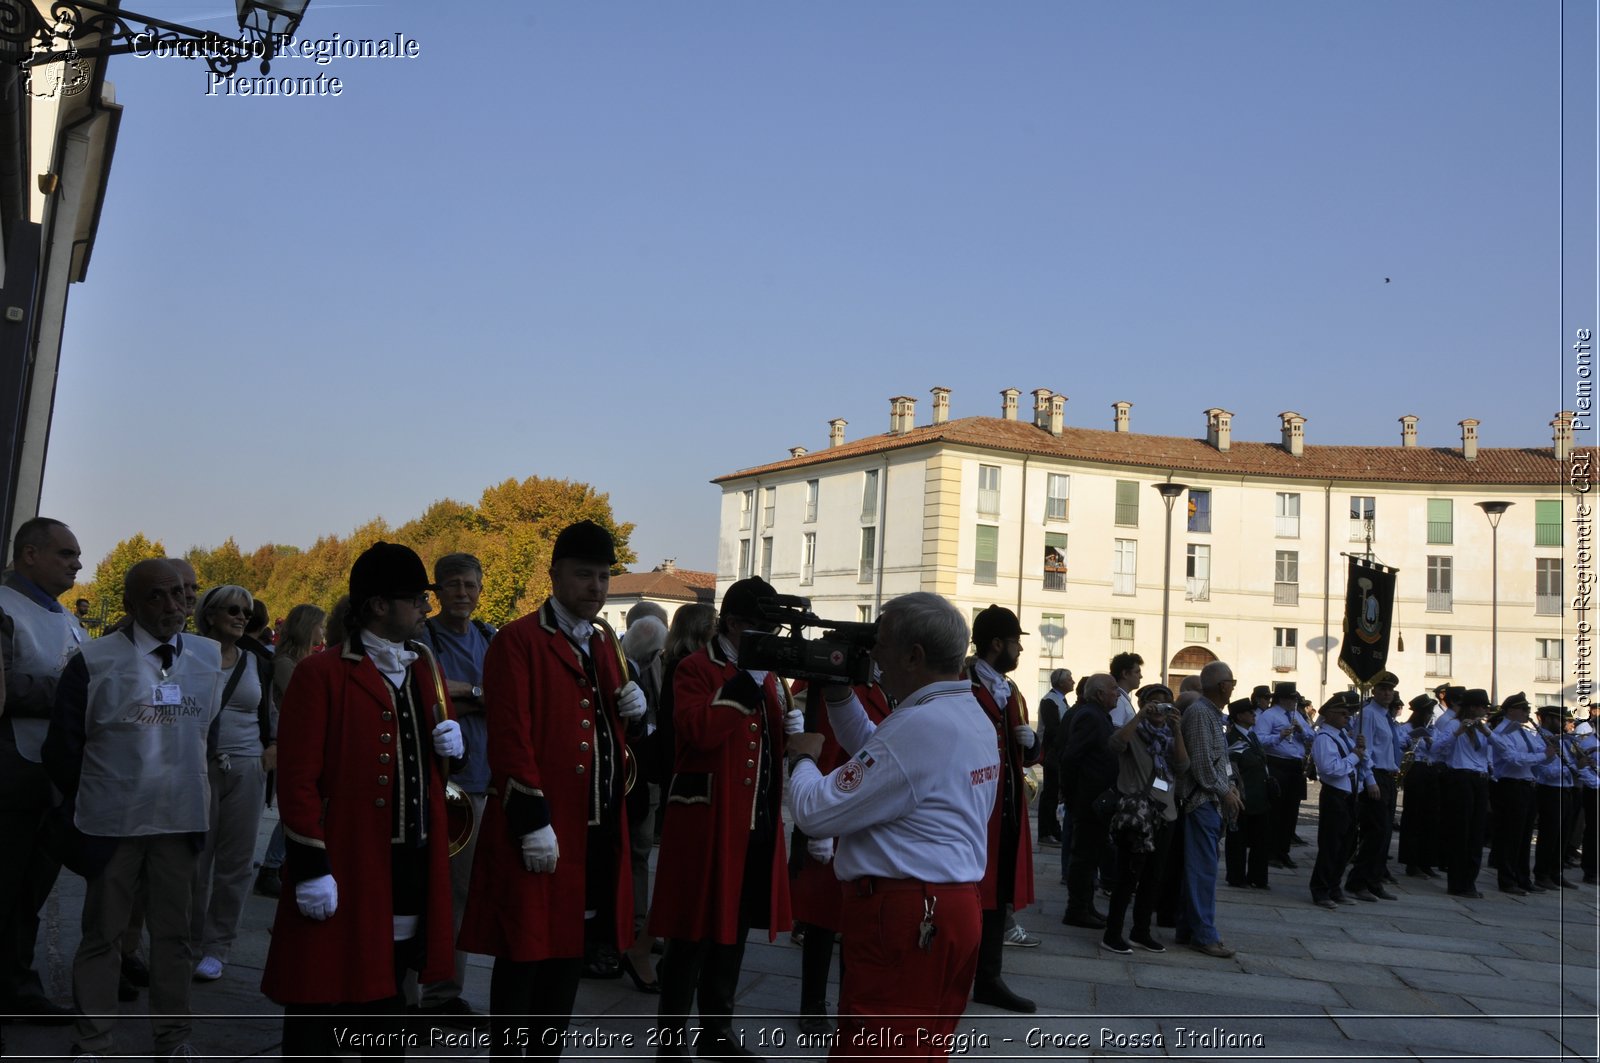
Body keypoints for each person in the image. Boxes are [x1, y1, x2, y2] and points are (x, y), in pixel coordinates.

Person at [259, 542, 466, 1058]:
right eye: (416, 598)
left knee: (390, 988)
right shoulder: (322, 672)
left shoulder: (423, 668)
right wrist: (309, 866)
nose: (425, 607)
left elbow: (420, 768)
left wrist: (450, 751)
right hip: (345, 861)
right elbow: (298, 779)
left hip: (409, 861)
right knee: (320, 993)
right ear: (378, 605)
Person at [459, 522, 644, 1058]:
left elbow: (600, 732)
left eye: (605, 576)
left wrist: (633, 713)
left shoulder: (604, 640)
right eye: (585, 575)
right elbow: (512, 739)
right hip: (540, 826)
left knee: (567, 956)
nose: (597, 587)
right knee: (523, 954)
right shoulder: (518, 640)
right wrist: (532, 821)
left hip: (591, 830)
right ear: (555, 575)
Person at [787, 592, 996, 1059]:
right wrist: (841, 695)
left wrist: (802, 758)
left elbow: (816, 812)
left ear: (913, 655)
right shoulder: (965, 714)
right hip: (952, 907)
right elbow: (883, 755)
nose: (873, 656)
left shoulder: (921, 726)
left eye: (879, 644)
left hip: (906, 915)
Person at [43, 559, 224, 1059]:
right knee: (102, 937)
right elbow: (62, 749)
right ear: (130, 605)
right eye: (156, 596)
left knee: (174, 939)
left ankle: (172, 1040)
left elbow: (204, 736)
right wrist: (103, 795)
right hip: (111, 825)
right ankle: (94, 1042)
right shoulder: (94, 661)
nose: (172, 605)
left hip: (179, 820)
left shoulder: (210, 659)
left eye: (180, 593)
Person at [650, 576, 796, 1061]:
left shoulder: (767, 674)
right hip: (708, 820)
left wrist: (791, 729)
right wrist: (746, 685)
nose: (771, 638)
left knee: (734, 928)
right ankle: (670, 1042)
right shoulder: (695, 667)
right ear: (734, 624)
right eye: (763, 628)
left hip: (755, 821)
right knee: (691, 933)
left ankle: (717, 1029)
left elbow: (767, 747)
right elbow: (699, 731)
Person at [0, 517, 84, 1021]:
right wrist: (73, 696)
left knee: (30, 892)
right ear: (30, 554)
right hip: (12, 774)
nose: (78, 563)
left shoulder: (67, 616)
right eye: (66, 554)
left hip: (50, 777)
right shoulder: (4, 608)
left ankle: (17, 983)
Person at [414, 552, 496, 1023]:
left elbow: (499, 696)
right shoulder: (423, 638)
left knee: (462, 894)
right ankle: (425, 995)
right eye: (452, 585)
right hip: (443, 781)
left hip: (484, 780)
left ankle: (444, 992)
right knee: (434, 891)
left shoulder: (489, 637)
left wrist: (468, 693)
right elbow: (433, 698)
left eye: (470, 584)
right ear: (437, 591)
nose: (462, 592)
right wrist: (471, 694)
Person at [786, 675, 891, 1035]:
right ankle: (812, 1005)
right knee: (821, 922)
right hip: (835, 814)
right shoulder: (850, 687)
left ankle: (851, 1003)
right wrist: (821, 831)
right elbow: (825, 750)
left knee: (851, 924)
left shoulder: (877, 687)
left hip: (861, 817)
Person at [622, 603, 716, 994]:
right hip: (683, 781)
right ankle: (641, 946)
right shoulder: (686, 666)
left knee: (684, 877)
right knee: (680, 875)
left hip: (681, 777)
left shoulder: (680, 663)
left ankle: (650, 943)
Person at [189, 585, 276, 982]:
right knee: (193, 860)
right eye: (233, 610)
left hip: (246, 765)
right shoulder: (187, 655)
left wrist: (271, 747)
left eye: (247, 611)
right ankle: (187, 940)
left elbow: (268, 709)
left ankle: (218, 945)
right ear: (210, 615)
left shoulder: (255, 661)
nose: (242, 617)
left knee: (236, 863)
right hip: (195, 765)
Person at [965, 605, 1037, 1014]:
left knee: (998, 894)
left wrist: (1032, 744)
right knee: (973, 893)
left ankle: (988, 977)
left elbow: (1022, 757)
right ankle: (962, 972)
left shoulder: (1010, 690)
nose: (1020, 649)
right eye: (1015, 641)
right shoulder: (962, 682)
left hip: (1005, 809)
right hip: (975, 808)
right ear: (996, 644)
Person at [1100, 684, 1188, 955]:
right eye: (1154, 703)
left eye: (1165, 704)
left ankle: (1141, 931)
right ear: (1143, 704)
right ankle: (1112, 933)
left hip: (1166, 813)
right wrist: (1139, 717)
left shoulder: (1170, 737)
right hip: (1138, 814)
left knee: (1154, 877)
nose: (1159, 709)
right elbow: (1115, 744)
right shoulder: (1135, 732)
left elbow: (1183, 766)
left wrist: (1176, 729)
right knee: (1128, 876)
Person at [254, 603, 327, 899]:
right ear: (307, 627)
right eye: (319, 625)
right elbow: (305, 701)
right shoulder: (286, 663)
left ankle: (280, 864)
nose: (322, 631)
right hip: (291, 741)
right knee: (295, 809)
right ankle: (271, 866)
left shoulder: (303, 660)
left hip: (300, 740)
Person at [1175, 661, 1241, 958]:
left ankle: (1189, 928)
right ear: (1223, 686)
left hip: (1209, 801)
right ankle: (1204, 934)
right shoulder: (1201, 714)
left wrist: (1229, 784)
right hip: (1201, 802)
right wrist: (1224, 790)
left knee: (1200, 868)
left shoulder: (1212, 715)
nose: (1233, 686)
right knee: (1203, 871)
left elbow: (1217, 760)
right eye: (1231, 682)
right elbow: (1201, 766)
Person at [618, 612, 668, 994]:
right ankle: (632, 928)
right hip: (633, 776)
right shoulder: (627, 671)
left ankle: (636, 926)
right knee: (635, 852)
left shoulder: (632, 665)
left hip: (639, 775)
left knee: (636, 853)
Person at [1060, 674, 1118, 929]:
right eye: (1113, 689)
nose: (1117, 693)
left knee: (1091, 855)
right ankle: (1076, 909)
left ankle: (1086, 906)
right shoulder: (1090, 716)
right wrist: (1073, 797)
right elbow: (1070, 758)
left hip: (1095, 800)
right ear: (1098, 694)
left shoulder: (1099, 715)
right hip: (1088, 801)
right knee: (1083, 857)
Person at [1308, 692, 1370, 908]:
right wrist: (1354, 755)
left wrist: (1360, 750)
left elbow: (1358, 763)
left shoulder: (1343, 735)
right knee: (1331, 845)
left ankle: (1335, 887)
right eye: (1344, 713)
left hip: (1349, 795)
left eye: (1350, 713)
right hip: (1335, 795)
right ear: (1330, 715)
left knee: (1347, 845)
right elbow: (1330, 768)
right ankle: (1321, 889)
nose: (1348, 717)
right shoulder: (1325, 738)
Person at [1488, 693, 1552, 895]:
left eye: (1528, 709)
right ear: (1510, 711)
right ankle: (1507, 880)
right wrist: (1543, 754)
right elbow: (1514, 758)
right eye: (1523, 709)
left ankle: (1523, 878)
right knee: (1511, 835)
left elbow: (1537, 758)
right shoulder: (1503, 731)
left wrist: (1550, 752)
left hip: (1527, 785)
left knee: (1524, 836)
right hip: (1511, 786)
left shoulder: (1523, 731)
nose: (1528, 713)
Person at [1344, 672, 1401, 901]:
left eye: (1390, 690)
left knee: (1385, 833)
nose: (1387, 693)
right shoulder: (1368, 715)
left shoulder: (1385, 715)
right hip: (1375, 775)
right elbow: (1364, 749)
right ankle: (1358, 882)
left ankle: (1374, 880)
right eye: (1382, 689)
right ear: (1373, 691)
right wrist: (1369, 780)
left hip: (1387, 775)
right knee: (1376, 832)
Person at [1432, 688, 1493, 898]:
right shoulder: (1453, 724)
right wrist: (1457, 732)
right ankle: (1457, 883)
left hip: (1480, 780)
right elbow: (1436, 750)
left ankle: (1470, 882)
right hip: (1461, 778)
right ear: (1472, 707)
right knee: (1461, 832)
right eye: (1483, 707)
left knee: (1477, 833)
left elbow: (1499, 750)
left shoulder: (1484, 729)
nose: (1485, 710)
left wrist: (1488, 733)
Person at [1254, 682, 1312, 870]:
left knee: (1291, 811)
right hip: (1277, 764)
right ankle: (1271, 852)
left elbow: (1312, 736)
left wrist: (1302, 730)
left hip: (1295, 766)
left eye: (1296, 699)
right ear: (1282, 698)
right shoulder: (1269, 716)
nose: (1295, 702)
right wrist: (1278, 736)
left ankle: (1283, 851)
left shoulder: (1297, 716)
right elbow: (1259, 740)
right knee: (1276, 811)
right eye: (1292, 698)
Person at [1223, 698, 1271, 891]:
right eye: (1250, 713)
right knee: (1238, 838)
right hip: (1243, 795)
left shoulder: (1251, 735)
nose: (1254, 715)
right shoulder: (1232, 738)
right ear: (1239, 716)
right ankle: (1236, 876)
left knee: (1261, 839)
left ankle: (1258, 877)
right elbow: (1230, 767)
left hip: (1260, 794)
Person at [1532, 704, 1580, 891]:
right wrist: (1569, 769)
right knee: (1549, 835)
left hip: (1565, 789)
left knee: (1563, 835)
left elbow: (1569, 764)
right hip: (1550, 790)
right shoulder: (1541, 739)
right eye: (1559, 720)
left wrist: (1579, 765)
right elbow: (1544, 770)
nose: (1562, 724)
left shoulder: (1561, 740)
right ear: (1549, 719)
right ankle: (1542, 874)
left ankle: (1555, 872)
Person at [1397, 693, 1441, 879]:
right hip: (1416, 770)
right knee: (1414, 816)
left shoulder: (1433, 730)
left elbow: (1441, 749)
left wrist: (1432, 742)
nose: (1430, 715)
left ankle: (1426, 861)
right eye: (1427, 712)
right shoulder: (1406, 728)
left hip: (1431, 771)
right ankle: (1411, 862)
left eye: (1431, 712)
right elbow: (1399, 747)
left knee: (1430, 818)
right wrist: (1410, 743)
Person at [1034, 668, 1073, 846]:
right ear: (1060, 682)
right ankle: (1045, 832)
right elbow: (1052, 729)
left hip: (1058, 753)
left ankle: (1053, 829)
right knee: (1049, 793)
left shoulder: (1060, 700)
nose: (1072, 681)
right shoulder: (1050, 701)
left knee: (1054, 792)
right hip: (1053, 753)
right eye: (1069, 679)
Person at [1108, 652, 1142, 727]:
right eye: (1137, 672)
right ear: (1125, 674)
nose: (1140, 676)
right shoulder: (1118, 701)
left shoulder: (1122, 699)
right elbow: (1114, 732)